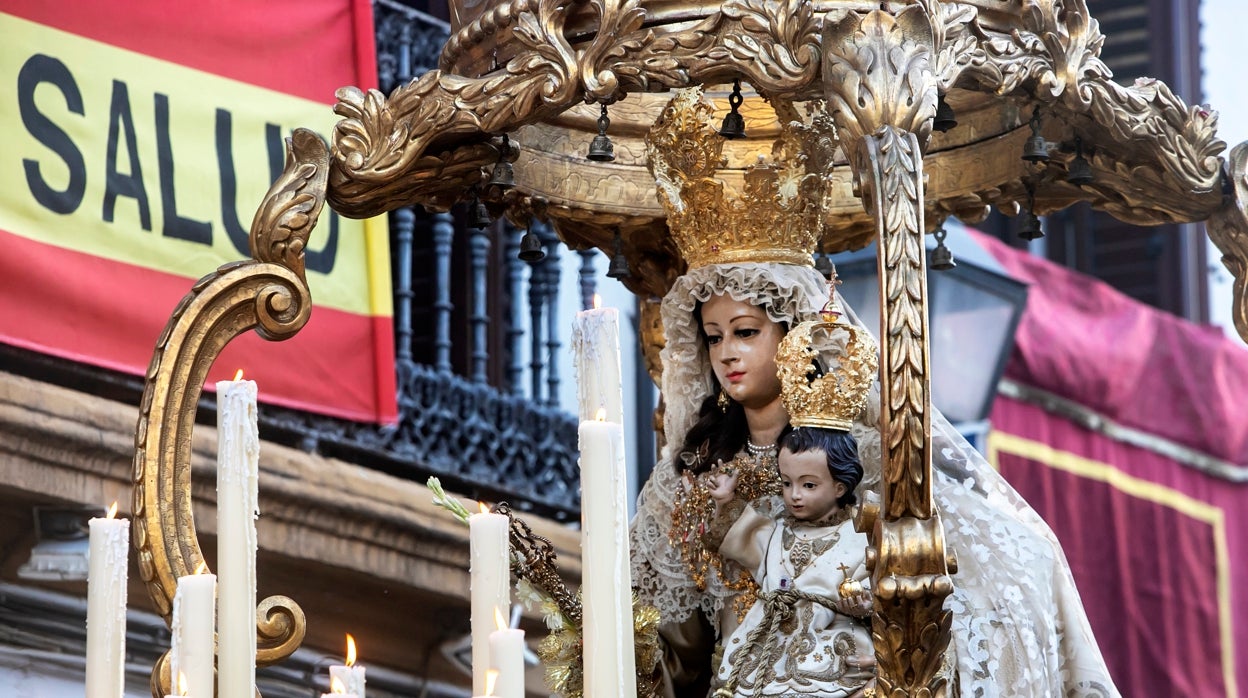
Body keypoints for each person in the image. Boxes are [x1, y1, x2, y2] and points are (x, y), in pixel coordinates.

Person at [629, 87, 1121, 698]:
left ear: (794, 335)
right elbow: (667, 645)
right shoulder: (691, 476)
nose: (727, 352)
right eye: (713, 337)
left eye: (747, 332)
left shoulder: (865, 457)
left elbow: (990, 565)